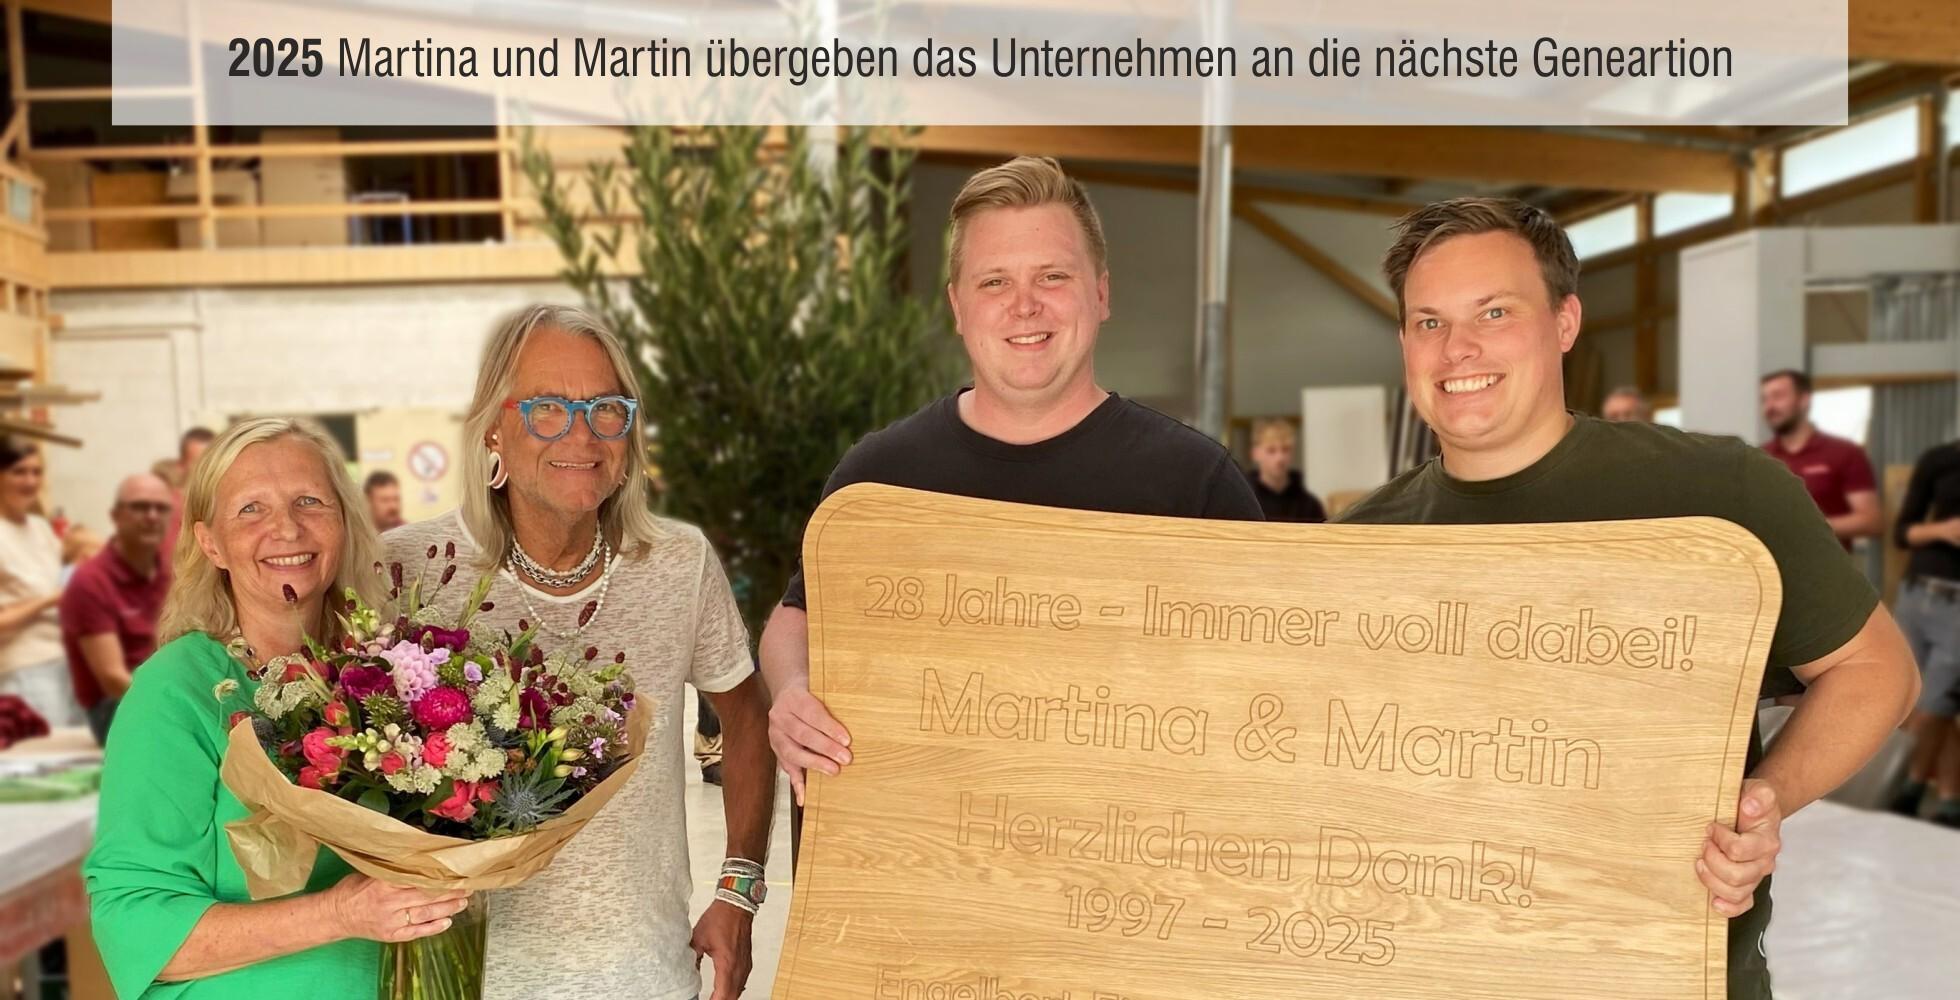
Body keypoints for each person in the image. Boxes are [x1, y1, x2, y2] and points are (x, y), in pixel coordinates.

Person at [1338, 197, 1920, 1000]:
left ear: (1565, 322)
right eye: (1428, 322)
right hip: (1432, 970)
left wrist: (1761, 803)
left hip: (1661, 973)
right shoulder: (1357, 546)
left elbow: (1876, 670)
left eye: (1495, 312)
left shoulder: (1716, 494)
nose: (1457, 347)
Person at [761, 156, 1263, 811]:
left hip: (1124, 852)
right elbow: (798, 614)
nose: (1024, 305)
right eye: (994, 281)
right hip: (923, 853)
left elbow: (1272, 673)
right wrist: (792, 690)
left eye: (1053, 276)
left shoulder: (1196, 484)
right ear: (957, 306)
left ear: (1101, 294)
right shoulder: (880, 480)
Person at [383, 304, 773, 1000]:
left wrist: (739, 891)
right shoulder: (408, 570)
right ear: (494, 427)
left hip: (647, 981)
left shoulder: (678, 563)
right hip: (465, 982)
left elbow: (747, 720)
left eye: (605, 409)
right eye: (548, 408)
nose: (582, 433)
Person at [84, 418, 469, 1000]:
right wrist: (340, 913)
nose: (287, 528)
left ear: (343, 522)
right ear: (210, 543)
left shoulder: (385, 675)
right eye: (251, 509)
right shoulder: (177, 690)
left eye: (309, 501)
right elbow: (132, 925)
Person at [60, 473, 174, 745]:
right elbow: (112, 679)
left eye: (161, 508)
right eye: (140, 507)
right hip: (115, 707)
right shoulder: (90, 581)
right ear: (116, 516)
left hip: (168, 691)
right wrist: (180, 709)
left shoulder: (172, 573)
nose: (152, 516)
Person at [1889, 439, 1960, 828]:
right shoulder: (1940, 458)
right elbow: (1903, 533)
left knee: (1938, 705)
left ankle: (1907, 788)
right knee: (1910, 699)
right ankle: (1950, 799)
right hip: (1917, 595)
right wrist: (1944, 530)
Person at [0, 435, 76, 727]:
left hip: (64, 662)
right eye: (19, 472)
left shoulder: (40, 529)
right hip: (23, 668)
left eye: (36, 472)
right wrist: (50, 600)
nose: (30, 481)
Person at [1760, 369, 1880, 549]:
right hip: (1768, 562)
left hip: (1827, 563)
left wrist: (1807, 527)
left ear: (1804, 400)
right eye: (1764, 399)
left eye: (1778, 396)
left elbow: (1872, 520)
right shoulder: (1759, 457)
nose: (1769, 407)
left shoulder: (1845, 453)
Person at [1244, 418, 1326, 523]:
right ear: (1255, 454)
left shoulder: (1310, 505)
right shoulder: (1245, 501)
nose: (1280, 458)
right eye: (1271, 450)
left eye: (1285, 449)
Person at [161, 426, 218, 560]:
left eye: (211, 462)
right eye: (198, 463)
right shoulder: (171, 507)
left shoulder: (222, 499)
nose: (207, 469)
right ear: (181, 466)